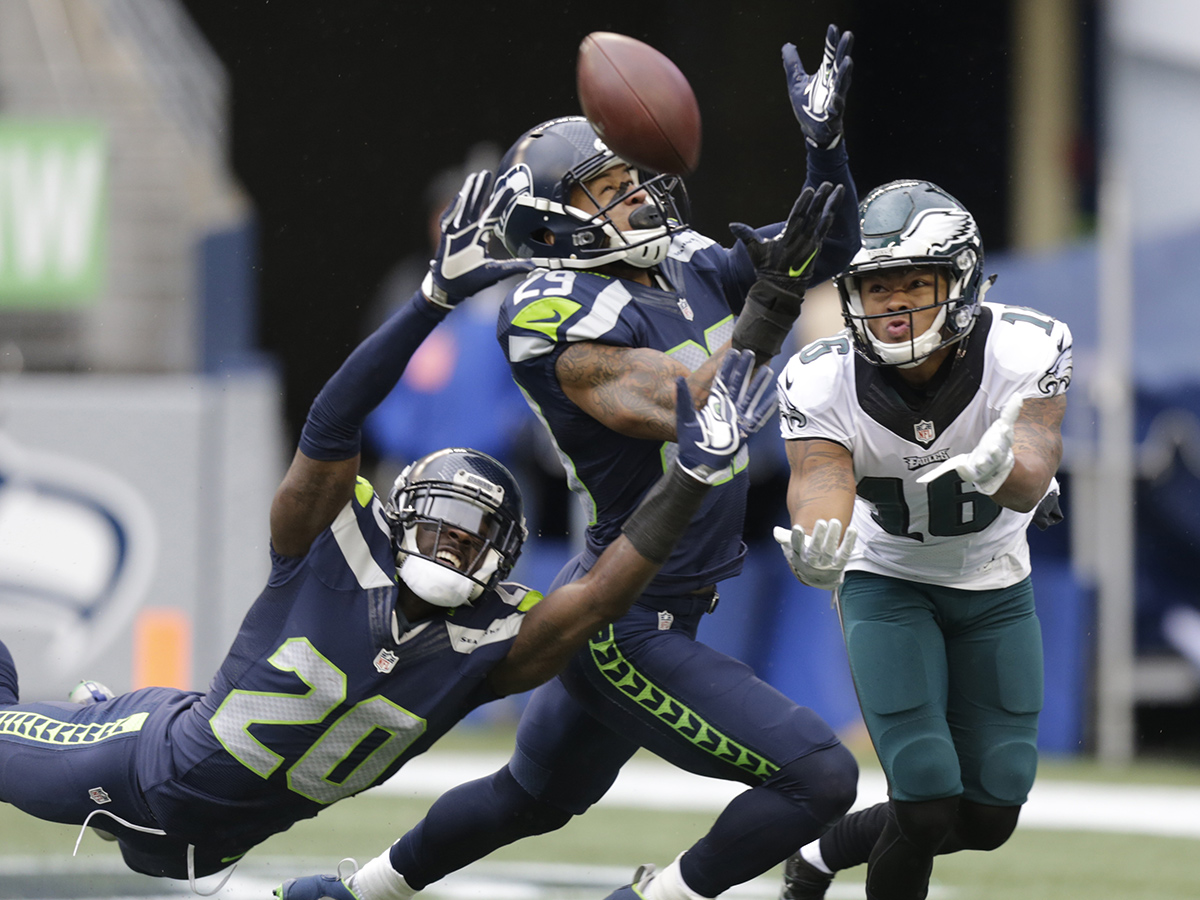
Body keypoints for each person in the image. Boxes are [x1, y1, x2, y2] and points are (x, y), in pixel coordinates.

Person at [0, 168, 773, 896]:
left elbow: (603, 594)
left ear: (504, 560)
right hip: (136, 766)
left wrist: (690, 476)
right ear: (397, 516)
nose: (451, 542)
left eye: (474, 535)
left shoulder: (493, 643)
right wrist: (430, 300)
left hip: (215, 839)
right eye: (439, 521)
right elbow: (332, 423)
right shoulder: (325, 549)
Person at [280, 26, 865, 900]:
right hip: (625, 620)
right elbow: (696, 404)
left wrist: (825, 150)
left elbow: (832, 243)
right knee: (820, 776)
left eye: (633, 178)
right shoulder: (549, 312)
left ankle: (349, 894)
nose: (641, 195)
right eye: (612, 188)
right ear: (557, 220)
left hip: (647, 596)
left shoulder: (683, 262)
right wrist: (775, 300)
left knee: (532, 796)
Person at [773, 179, 1072, 900]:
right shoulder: (821, 375)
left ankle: (821, 853)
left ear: (961, 279)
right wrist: (820, 541)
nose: (895, 304)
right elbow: (819, 479)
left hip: (995, 579)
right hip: (888, 578)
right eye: (877, 288)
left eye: (915, 283)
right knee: (927, 793)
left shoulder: (1028, 345)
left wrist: (1005, 473)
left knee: (992, 809)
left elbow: (1032, 474)